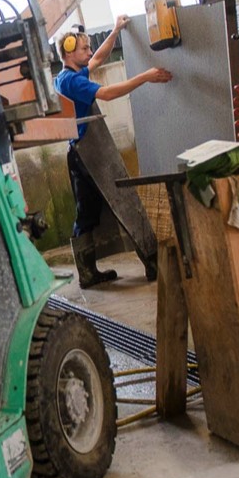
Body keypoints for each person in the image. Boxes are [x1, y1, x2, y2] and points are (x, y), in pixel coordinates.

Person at [54, 15, 172, 288]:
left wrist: (117, 29)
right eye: (84, 49)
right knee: (126, 201)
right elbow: (106, 94)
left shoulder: (68, 75)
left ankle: (87, 272)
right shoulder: (72, 82)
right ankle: (152, 261)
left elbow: (99, 58)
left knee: (87, 212)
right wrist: (145, 77)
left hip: (79, 152)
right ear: (69, 51)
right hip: (89, 153)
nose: (89, 53)